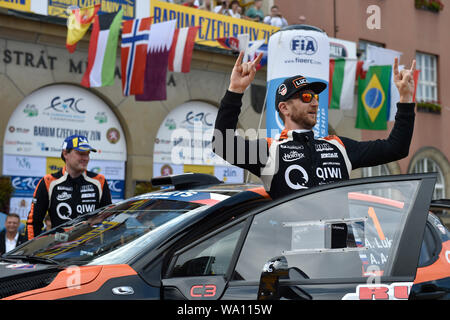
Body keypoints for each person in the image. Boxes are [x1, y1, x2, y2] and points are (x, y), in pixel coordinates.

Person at [212, 52, 417, 200]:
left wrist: (406, 99)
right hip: (295, 257)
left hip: (340, 255)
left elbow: (396, 148)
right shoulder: (270, 150)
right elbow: (223, 145)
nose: (315, 103)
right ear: (284, 108)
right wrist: (235, 90)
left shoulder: (338, 147)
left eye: (316, 97)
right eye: (307, 97)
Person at [26, 135, 112, 239]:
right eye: (81, 154)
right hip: (58, 250)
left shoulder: (99, 181)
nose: (86, 158)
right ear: (65, 153)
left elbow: (108, 219)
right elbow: (34, 222)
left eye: (87, 154)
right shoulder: (49, 182)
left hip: (90, 251)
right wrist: (30, 252)